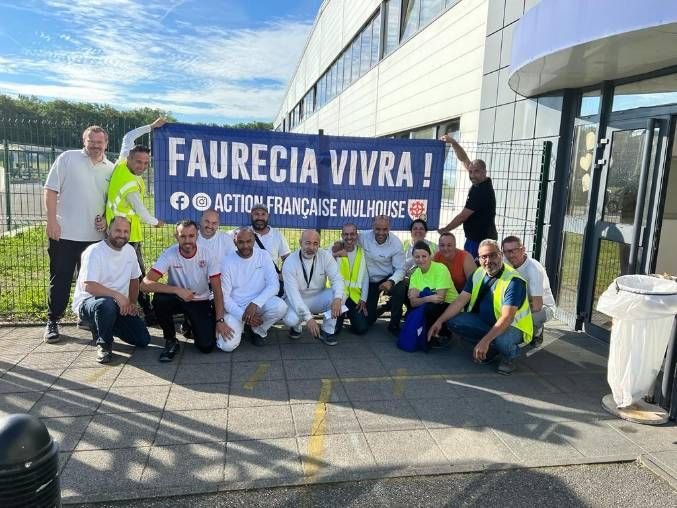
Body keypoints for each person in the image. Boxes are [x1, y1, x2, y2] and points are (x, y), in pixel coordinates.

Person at [43, 125, 115, 343]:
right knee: (61, 279)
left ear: (106, 144)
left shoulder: (111, 169)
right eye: (91, 141)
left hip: (94, 239)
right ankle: (53, 320)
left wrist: (106, 219)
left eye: (99, 142)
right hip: (64, 234)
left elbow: (110, 202)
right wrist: (52, 220)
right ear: (84, 141)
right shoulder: (67, 158)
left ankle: (86, 318)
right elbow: (50, 190)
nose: (95, 146)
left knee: (90, 282)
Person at [428, 239, 533, 375]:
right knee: (454, 321)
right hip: (488, 321)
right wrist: (439, 321)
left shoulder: (513, 281)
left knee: (502, 340)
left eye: (492, 255)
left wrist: (485, 341)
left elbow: (507, 318)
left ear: (500, 255)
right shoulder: (478, 273)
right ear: (479, 259)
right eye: (484, 257)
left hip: (513, 326)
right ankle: (492, 347)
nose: (488, 260)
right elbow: (460, 301)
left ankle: (510, 356)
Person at [105, 117, 167, 322]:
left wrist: (151, 126)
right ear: (130, 159)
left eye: (146, 163)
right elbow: (142, 212)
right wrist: (156, 222)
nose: (142, 166)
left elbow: (128, 137)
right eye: (139, 161)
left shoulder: (121, 164)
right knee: (136, 273)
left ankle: (133, 307)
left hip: (115, 230)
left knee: (125, 272)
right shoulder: (130, 184)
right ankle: (146, 310)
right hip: (126, 235)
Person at [142, 220, 231, 361]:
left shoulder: (208, 254)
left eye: (191, 236)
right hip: (177, 298)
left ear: (197, 236)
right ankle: (171, 340)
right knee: (160, 299)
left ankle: (189, 323)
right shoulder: (169, 253)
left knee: (206, 347)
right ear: (176, 237)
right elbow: (145, 284)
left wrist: (220, 320)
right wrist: (177, 290)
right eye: (183, 236)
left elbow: (217, 289)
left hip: (200, 300)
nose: (187, 240)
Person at [71, 216, 151, 364]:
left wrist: (132, 303)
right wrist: (117, 296)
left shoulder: (130, 251)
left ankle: (102, 324)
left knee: (143, 339)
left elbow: (134, 280)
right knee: (106, 304)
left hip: (118, 305)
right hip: (90, 302)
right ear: (108, 231)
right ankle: (104, 344)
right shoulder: (94, 251)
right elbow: (89, 286)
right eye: (118, 231)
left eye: (126, 231)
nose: (122, 235)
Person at [218, 228, 287, 350]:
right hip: (236, 307)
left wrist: (255, 303)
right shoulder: (227, 262)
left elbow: (274, 285)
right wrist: (242, 315)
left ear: (254, 240)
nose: (245, 246)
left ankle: (257, 330)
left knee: (280, 306)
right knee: (227, 346)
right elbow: (225, 298)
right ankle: (245, 324)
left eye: (249, 241)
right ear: (235, 242)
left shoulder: (264, 255)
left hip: (258, 304)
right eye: (241, 242)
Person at [438, 134, 497, 260]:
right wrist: (453, 143)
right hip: (475, 238)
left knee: (474, 268)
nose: (472, 175)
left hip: (481, 242)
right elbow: (464, 159)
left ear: (484, 172)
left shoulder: (481, 191)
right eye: (470, 172)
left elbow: (462, 217)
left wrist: (445, 229)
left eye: (476, 171)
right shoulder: (483, 182)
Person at [283, 229, 344, 346]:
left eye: (315, 243)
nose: (311, 247)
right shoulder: (290, 262)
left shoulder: (325, 256)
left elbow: (337, 278)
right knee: (291, 320)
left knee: (340, 295)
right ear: (300, 243)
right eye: (307, 243)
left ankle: (328, 331)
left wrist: (337, 298)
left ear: (319, 245)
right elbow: (293, 295)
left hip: (317, 297)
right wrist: (309, 319)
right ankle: (296, 327)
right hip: (297, 299)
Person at [502, 235, 554, 346]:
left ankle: (537, 331)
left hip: (541, 306)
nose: (510, 255)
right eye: (506, 252)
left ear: (523, 250)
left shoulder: (534, 270)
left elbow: (537, 305)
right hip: (518, 302)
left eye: (513, 251)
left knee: (514, 324)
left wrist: (513, 317)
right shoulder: (505, 260)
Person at [358, 216, 405, 335]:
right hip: (369, 281)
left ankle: (394, 324)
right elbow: (347, 241)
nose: (381, 232)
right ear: (372, 226)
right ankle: (384, 307)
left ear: (389, 228)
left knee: (400, 288)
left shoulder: (396, 243)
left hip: (386, 278)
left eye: (385, 229)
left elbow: (400, 269)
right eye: (378, 229)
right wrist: (337, 245)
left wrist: (391, 281)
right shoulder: (363, 237)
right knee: (368, 320)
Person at [389, 219, 438, 333]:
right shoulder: (403, 245)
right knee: (399, 288)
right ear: (411, 232)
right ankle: (394, 324)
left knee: (414, 314)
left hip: (426, 285)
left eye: (421, 229)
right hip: (407, 283)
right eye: (415, 228)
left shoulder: (434, 247)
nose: (418, 231)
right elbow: (398, 267)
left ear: (426, 232)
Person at [407, 241, 458, 335]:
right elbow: (413, 303)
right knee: (411, 312)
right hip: (429, 302)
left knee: (430, 308)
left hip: (450, 305)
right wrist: (428, 298)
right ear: (413, 258)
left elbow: (440, 299)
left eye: (424, 256)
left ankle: (440, 334)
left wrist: (419, 294)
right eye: (417, 257)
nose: (421, 260)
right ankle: (422, 335)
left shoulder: (440, 268)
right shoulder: (415, 275)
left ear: (430, 256)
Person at [333, 223, 369, 335]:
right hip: (339, 297)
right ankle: (340, 318)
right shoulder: (334, 250)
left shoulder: (362, 253)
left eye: (352, 234)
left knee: (361, 329)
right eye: (346, 234)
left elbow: (366, 278)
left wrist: (363, 298)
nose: (349, 237)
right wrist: (335, 254)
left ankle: (348, 315)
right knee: (333, 330)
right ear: (342, 235)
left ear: (356, 235)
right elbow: (323, 262)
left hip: (354, 298)